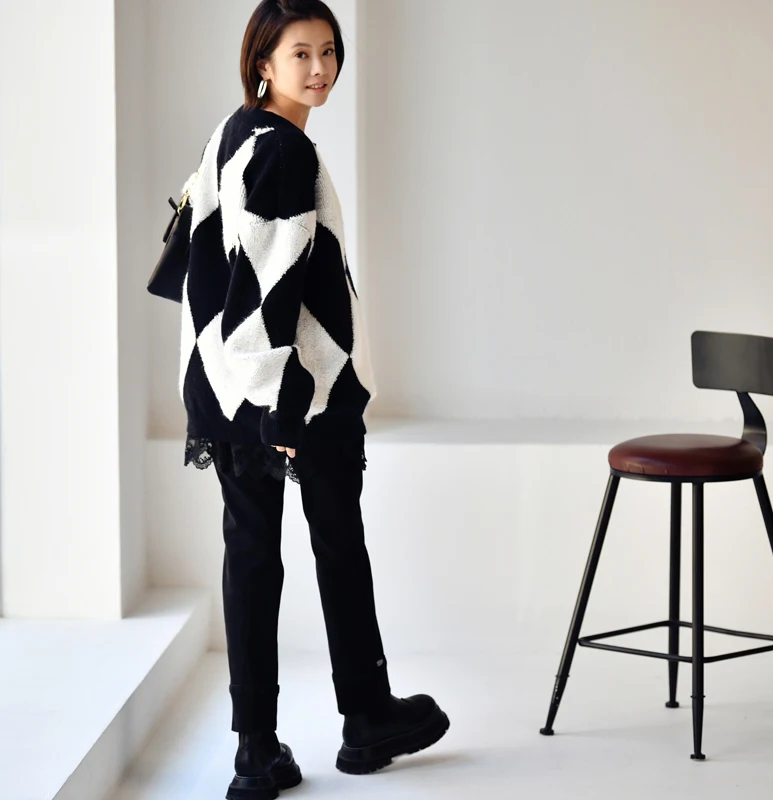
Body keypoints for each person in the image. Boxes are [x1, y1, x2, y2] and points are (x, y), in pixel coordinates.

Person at [178, 1, 449, 797]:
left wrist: (242, 387)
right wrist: (283, 404)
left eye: (329, 50)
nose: (321, 68)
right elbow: (266, 291)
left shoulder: (233, 133)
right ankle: (366, 716)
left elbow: (200, 267)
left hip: (227, 387)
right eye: (301, 53)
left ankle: (256, 751)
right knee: (337, 544)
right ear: (263, 62)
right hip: (294, 391)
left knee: (251, 559)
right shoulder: (284, 151)